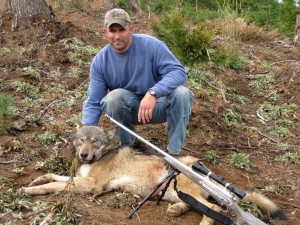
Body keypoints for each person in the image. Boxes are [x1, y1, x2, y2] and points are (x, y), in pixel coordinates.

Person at [82, 8, 194, 155]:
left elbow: (178, 72)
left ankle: (173, 153)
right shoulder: (100, 61)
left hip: (158, 106)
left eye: (121, 30)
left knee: (182, 94)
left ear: (131, 29)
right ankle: (129, 147)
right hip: (131, 110)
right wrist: (86, 133)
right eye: (112, 31)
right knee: (112, 99)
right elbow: (94, 100)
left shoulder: (152, 45)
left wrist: (153, 93)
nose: (117, 36)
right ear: (105, 32)